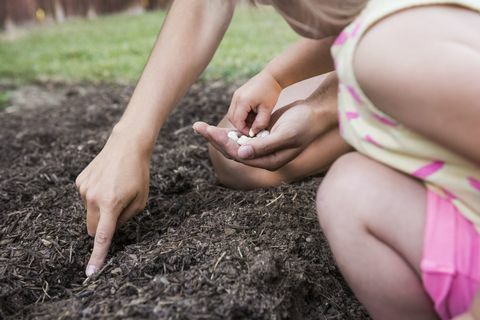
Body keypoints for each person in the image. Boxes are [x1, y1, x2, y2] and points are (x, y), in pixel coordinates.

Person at [75, 1, 480, 318]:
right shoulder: (387, 38)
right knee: (328, 181)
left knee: (348, 194)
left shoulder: (384, 58)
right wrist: (129, 138)